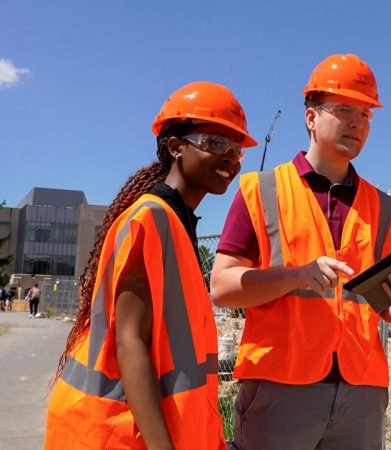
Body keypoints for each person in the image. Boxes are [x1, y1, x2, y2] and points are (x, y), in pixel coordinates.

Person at [211, 53, 391, 449]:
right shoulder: (261, 191)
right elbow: (222, 286)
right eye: (344, 109)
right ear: (310, 117)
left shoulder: (384, 208)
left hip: (361, 390)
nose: (356, 123)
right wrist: (295, 275)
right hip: (280, 386)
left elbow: (382, 306)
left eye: (365, 114)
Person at [45, 81, 258, 449]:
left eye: (237, 149)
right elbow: (130, 342)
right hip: (113, 432)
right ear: (176, 147)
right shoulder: (153, 218)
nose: (231, 158)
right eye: (215, 142)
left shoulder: (176, 222)